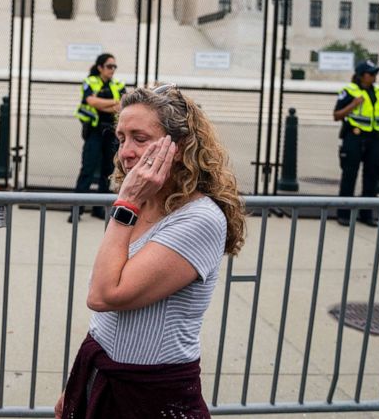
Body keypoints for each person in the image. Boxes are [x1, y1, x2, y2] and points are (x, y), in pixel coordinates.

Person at [56, 84, 247, 418]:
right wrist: (77, 384)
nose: (125, 152)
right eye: (121, 138)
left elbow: (104, 294)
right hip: (101, 367)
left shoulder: (199, 218)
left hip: (152, 391)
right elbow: (107, 317)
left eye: (139, 138)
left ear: (180, 146)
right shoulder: (139, 204)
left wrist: (126, 203)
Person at [333, 59, 379, 227]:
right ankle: (343, 213)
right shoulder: (349, 91)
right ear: (361, 76)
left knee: (372, 178)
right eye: (371, 73)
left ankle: (367, 214)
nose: (374, 77)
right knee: (349, 176)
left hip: (375, 139)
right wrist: (353, 104)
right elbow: (336, 115)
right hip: (354, 137)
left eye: (376, 73)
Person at [71, 53, 126, 221]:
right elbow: (90, 102)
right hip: (94, 131)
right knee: (87, 169)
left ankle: (99, 209)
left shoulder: (117, 84)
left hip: (111, 132)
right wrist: (112, 102)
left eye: (114, 67)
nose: (112, 70)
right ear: (100, 67)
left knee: (106, 172)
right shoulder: (90, 81)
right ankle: (76, 210)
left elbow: (123, 103)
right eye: (109, 66)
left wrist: (102, 102)